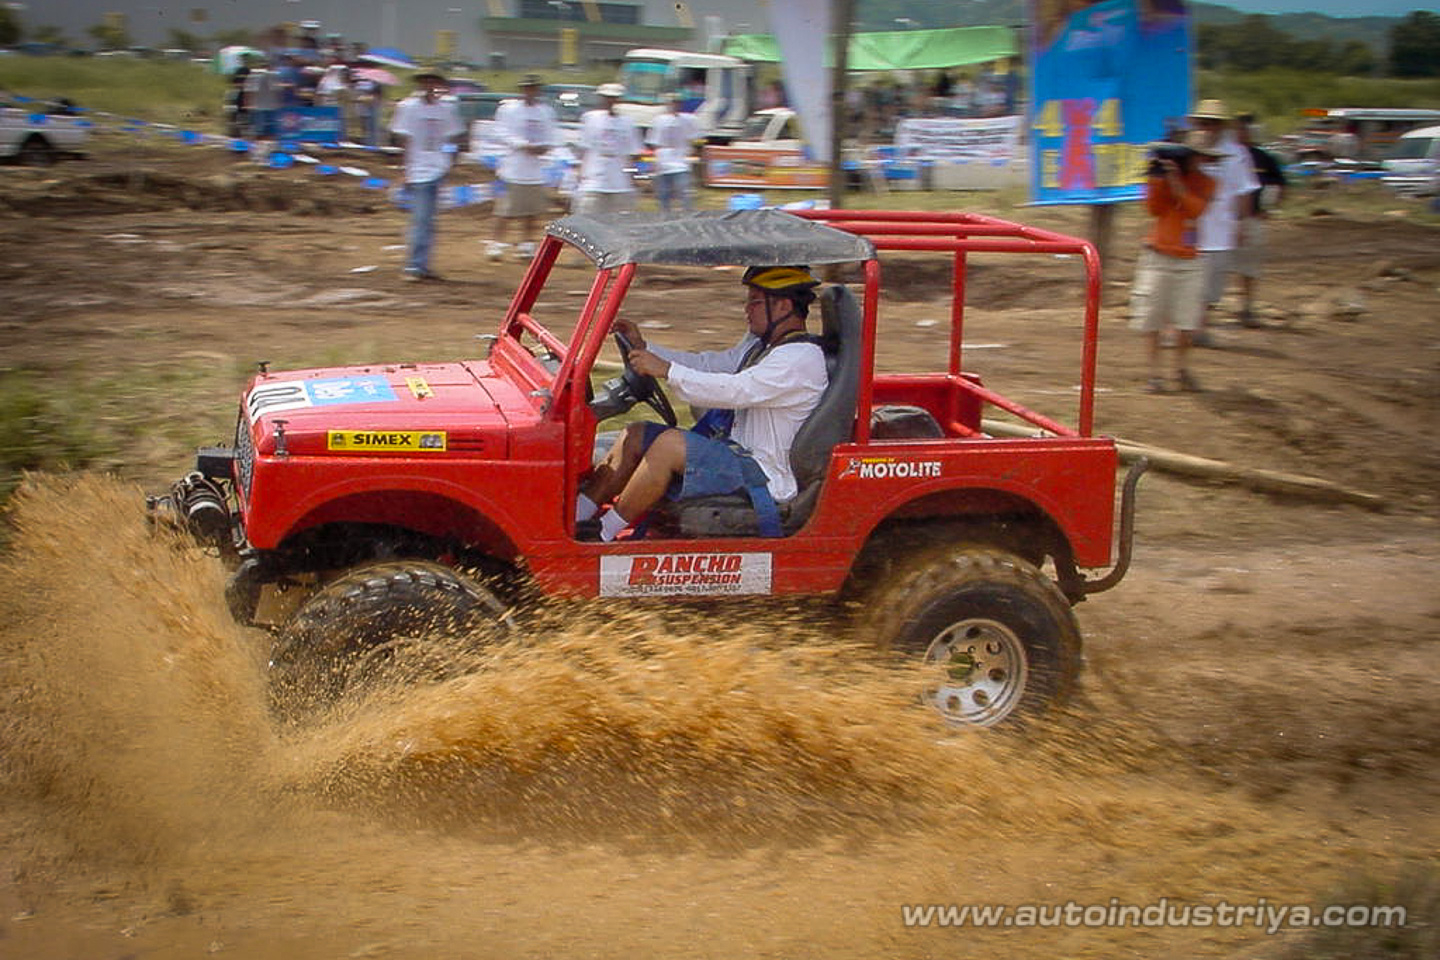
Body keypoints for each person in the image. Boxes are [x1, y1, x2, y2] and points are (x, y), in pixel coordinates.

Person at [576, 266, 829, 542]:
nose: (747, 309)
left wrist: (668, 371)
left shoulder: (799, 359)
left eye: (755, 301)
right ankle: (576, 518)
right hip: (736, 453)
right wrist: (646, 349)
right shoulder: (762, 348)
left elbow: (734, 391)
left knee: (668, 446)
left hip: (764, 475)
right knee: (635, 434)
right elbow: (711, 366)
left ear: (783, 306)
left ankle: (602, 535)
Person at [1132, 132, 1219, 394]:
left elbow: (1195, 210)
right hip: (1159, 254)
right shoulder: (1162, 177)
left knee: (1186, 321)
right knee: (1152, 318)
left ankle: (1180, 370)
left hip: (1189, 258)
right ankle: (1154, 374)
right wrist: (1157, 180)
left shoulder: (1207, 182)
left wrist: (1176, 182)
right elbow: (1153, 209)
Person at [1188, 99, 1259, 347]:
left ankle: (1200, 326)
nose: (1207, 128)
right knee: (1187, 279)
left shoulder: (1237, 154)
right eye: (1203, 123)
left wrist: (1243, 223)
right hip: (1190, 229)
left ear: (1220, 126)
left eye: (1212, 123)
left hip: (1221, 229)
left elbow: (1244, 191)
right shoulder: (1187, 151)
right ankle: (1186, 328)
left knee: (1213, 283)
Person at [389, 72, 465, 282]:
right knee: (421, 218)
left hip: (438, 167)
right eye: (426, 83)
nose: (429, 86)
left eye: (433, 82)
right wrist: (404, 169)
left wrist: (450, 160)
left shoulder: (446, 109)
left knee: (429, 219)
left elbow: (455, 136)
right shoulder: (408, 107)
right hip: (418, 168)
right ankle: (414, 265)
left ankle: (422, 263)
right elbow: (403, 140)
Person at [488, 74, 561, 262]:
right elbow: (500, 132)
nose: (530, 91)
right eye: (527, 88)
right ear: (522, 90)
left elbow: (552, 135)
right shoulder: (509, 110)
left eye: (534, 88)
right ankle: (496, 243)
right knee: (505, 209)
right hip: (513, 167)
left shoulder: (546, 112)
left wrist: (544, 146)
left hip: (535, 169)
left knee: (531, 210)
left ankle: (526, 244)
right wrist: (521, 145)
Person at [1232, 114, 1287, 328]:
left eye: (1245, 130)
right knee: (1216, 265)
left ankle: (1246, 307)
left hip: (1252, 219)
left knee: (1249, 266)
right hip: (1225, 219)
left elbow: (1281, 184)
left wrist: (1269, 208)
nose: (1242, 134)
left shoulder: (1263, 158)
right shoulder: (1224, 156)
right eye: (1238, 129)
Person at [574, 83, 642, 216]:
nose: (610, 101)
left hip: (619, 181)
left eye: (614, 97)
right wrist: (579, 172)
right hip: (594, 179)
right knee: (589, 217)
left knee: (619, 219)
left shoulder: (627, 122)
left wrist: (633, 176)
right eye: (607, 97)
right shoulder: (591, 118)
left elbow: (632, 154)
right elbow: (584, 149)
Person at [646, 94, 699, 216]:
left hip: (681, 162)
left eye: (677, 103)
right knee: (663, 193)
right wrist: (654, 162)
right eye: (672, 103)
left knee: (684, 191)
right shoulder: (659, 120)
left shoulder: (689, 120)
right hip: (663, 162)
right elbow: (654, 143)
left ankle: (687, 215)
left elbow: (696, 138)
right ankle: (664, 215)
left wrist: (693, 151)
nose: (675, 105)